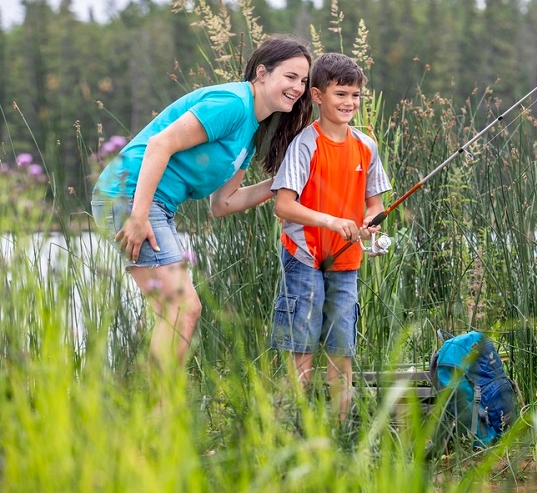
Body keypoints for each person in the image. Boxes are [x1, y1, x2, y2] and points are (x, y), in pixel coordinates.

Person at [91, 36, 314, 372]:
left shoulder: (249, 133)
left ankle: (154, 408)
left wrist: (287, 181)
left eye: (304, 81)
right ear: (263, 73)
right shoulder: (232, 103)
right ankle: (161, 410)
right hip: (128, 194)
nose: (298, 88)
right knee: (182, 307)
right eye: (290, 76)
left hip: (157, 206)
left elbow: (223, 203)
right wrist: (137, 216)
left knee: (174, 312)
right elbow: (159, 144)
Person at [269, 52, 391, 421]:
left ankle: (341, 429)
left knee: (342, 348)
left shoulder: (365, 146)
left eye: (355, 95)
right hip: (303, 256)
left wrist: (371, 222)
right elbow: (284, 206)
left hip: (347, 261)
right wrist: (333, 221)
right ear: (317, 96)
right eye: (340, 94)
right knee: (301, 347)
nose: (349, 103)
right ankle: (290, 428)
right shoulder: (305, 144)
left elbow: (375, 205)